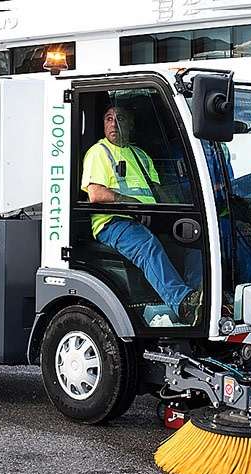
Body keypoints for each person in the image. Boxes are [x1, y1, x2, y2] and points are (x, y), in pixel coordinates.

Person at [81, 106, 201, 325]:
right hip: (113, 222)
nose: (114, 124)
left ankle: (198, 297)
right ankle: (182, 302)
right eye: (109, 119)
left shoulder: (140, 155)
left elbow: (158, 192)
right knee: (147, 245)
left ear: (131, 124)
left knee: (194, 239)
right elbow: (96, 194)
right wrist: (131, 204)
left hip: (148, 218)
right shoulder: (98, 152)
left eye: (120, 118)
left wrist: (183, 210)